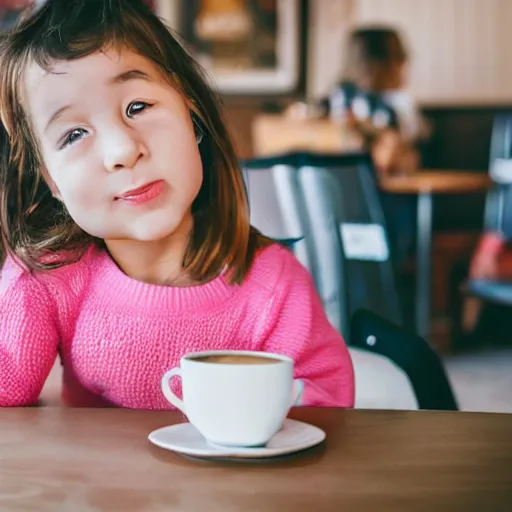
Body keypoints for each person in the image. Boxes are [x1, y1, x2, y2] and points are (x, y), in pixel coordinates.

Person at [0, 0, 354, 408]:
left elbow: (327, 403)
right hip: (99, 474)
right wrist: (23, 272)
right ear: (52, 182)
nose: (121, 150)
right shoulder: (51, 279)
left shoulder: (272, 285)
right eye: (75, 134)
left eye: (138, 107)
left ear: (193, 116)